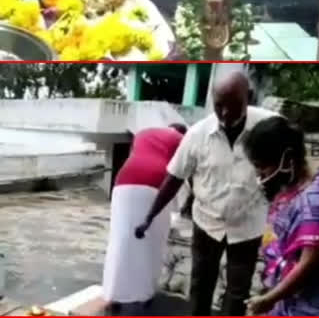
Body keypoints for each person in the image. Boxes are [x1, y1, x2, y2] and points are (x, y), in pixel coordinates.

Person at [134, 71, 277, 316]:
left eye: (232, 106)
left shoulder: (272, 127)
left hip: (248, 225)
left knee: (238, 291)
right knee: (200, 286)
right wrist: (149, 217)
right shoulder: (197, 134)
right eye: (218, 105)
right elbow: (174, 178)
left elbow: (291, 166)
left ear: (249, 97)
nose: (224, 114)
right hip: (207, 223)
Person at [243, 116, 319, 316]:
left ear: (287, 158)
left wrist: (268, 300)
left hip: (315, 297)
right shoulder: (291, 186)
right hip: (289, 293)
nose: (260, 175)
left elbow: (308, 265)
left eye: (262, 166)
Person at [102, 123, 187, 313]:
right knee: (152, 243)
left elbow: (136, 157)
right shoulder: (180, 139)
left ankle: (113, 294)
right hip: (154, 185)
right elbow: (180, 173)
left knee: (120, 239)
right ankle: (143, 295)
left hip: (123, 182)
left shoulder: (142, 133)